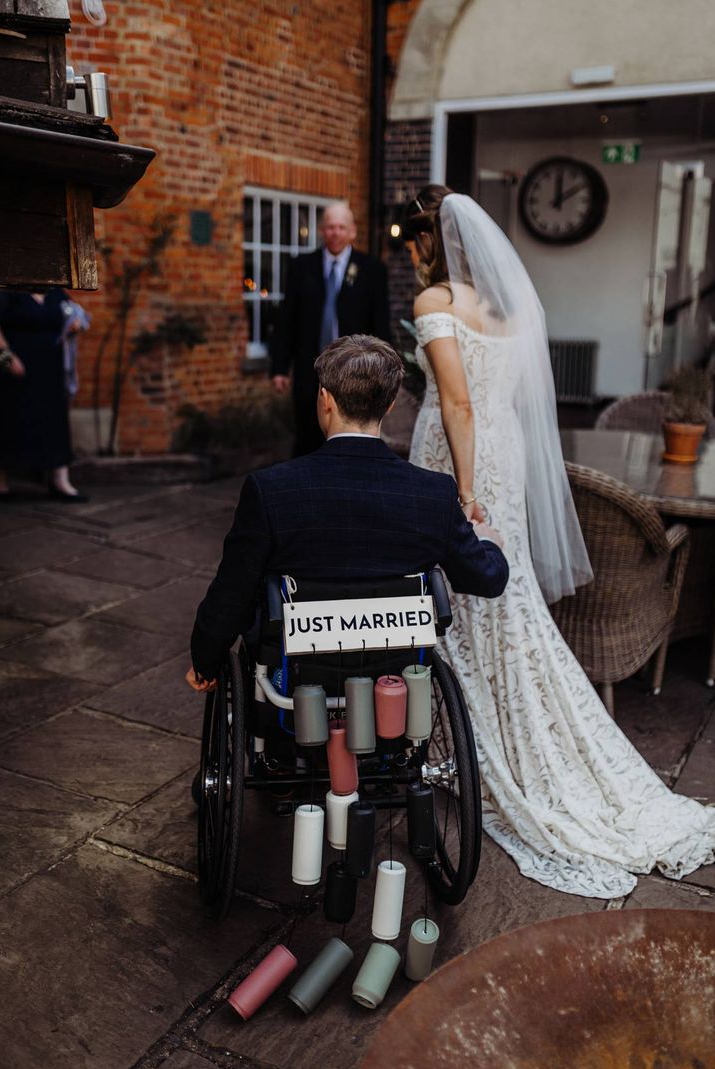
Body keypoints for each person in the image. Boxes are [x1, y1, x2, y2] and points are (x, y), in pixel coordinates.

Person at [403, 184, 715, 899]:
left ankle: (462, 733)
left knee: (456, 580)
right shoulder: (513, 309)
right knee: (498, 590)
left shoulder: (435, 304)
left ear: (429, 243)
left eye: (414, 244)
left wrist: (464, 488)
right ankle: (467, 725)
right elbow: (506, 400)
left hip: (463, 457)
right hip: (504, 451)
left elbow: (456, 400)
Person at [188, 334, 508, 688]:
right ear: (388, 406)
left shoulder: (272, 490)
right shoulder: (432, 493)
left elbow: (231, 594)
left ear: (325, 399)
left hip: (295, 677)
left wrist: (206, 661)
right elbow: (485, 579)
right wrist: (487, 541)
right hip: (394, 678)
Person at [270, 202, 391, 457]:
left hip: (356, 370)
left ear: (352, 232)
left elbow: (380, 322)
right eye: (330, 227)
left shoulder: (371, 269)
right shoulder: (301, 267)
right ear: (321, 230)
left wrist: (385, 368)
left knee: (351, 436)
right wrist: (279, 367)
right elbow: (287, 318)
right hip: (308, 369)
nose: (335, 232)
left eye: (341, 227)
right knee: (306, 438)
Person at [0, 288, 87, 501]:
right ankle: (1, 483)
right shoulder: (8, 289)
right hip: (14, 367)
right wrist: (5, 357)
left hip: (51, 369)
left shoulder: (55, 291)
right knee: (9, 418)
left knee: (54, 419)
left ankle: (60, 481)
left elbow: (71, 315)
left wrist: (75, 325)